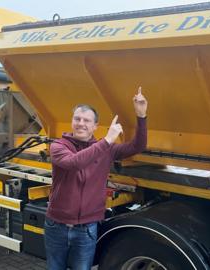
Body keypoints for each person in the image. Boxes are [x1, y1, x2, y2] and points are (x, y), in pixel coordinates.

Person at [44, 87, 148, 270]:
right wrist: (106, 140)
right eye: (77, 119)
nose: (81, 123)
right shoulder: (59, 146)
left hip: (86, 229)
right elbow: (74, 163)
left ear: (95, 126)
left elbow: (138, 146)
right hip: (57, 226)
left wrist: (141, 115)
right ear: (72, 122)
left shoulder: (106, 149)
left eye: (87, 120)